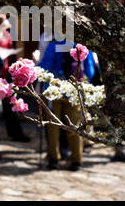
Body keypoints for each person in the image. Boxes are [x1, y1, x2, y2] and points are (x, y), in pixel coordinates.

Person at [39, 36, 97, 171]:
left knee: (53, 126)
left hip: (54, 90)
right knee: (75, 127)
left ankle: (54, 158)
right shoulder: (80, 45)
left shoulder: (53, 45)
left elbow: (45, 66)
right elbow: (90, 70)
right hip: (74, 90)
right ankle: (76, 159)